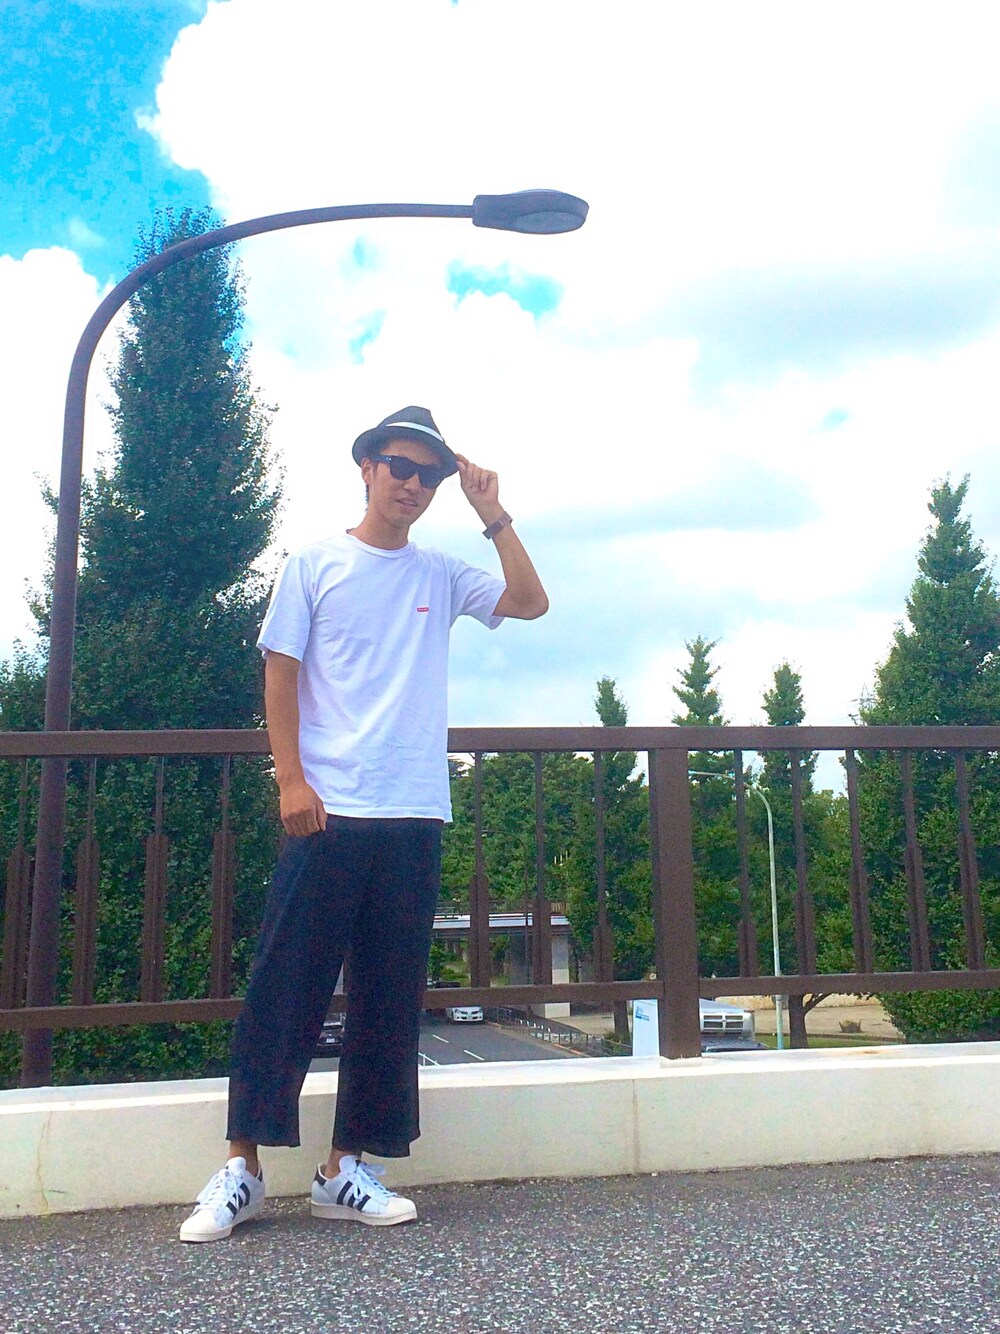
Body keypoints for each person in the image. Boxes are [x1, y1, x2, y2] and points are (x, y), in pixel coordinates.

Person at [179, 406, 548, 1242]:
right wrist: (291, 779)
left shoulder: (440, 573)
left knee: (388, 997)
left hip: (413, 809)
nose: (413, 484)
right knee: (285, 986)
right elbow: (281, 672)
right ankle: (241, 1168)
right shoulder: (315, 562)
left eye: (429, 474)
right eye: (400, 467)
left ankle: (344, 1169)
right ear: (368, 468)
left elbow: (530, 602)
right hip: (329, 808)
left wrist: (493, 512)